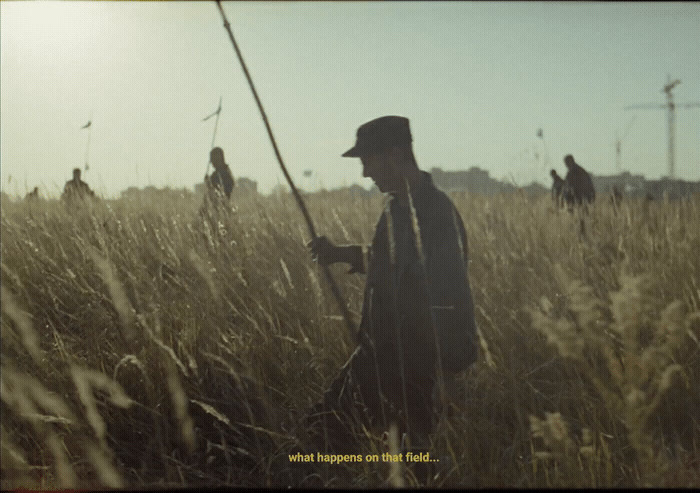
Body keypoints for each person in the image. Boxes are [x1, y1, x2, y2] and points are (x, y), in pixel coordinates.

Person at [306, 116, 478, 469]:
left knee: (415, 463)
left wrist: (445, 376)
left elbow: (451, 297)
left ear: (394, 154)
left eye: (368, 161)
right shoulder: (395, 206)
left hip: (415, 366)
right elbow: (389, 262)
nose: (366, 173)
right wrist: (341, 253)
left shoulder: (437, 214)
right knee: (320, 432)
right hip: (377, 353)